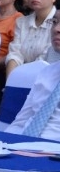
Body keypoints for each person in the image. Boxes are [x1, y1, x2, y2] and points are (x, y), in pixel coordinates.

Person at [6, 11, 60, 139]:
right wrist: (5, 143)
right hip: (24, 144)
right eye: (54, 22)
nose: (56, 29)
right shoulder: (47, 73)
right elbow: (21, 121)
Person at [6, 0, 57, 76]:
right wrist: (10, 81)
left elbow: (45, 59)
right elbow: (15, 54)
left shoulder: (57, 24)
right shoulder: (21, 22)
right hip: (18, 76)